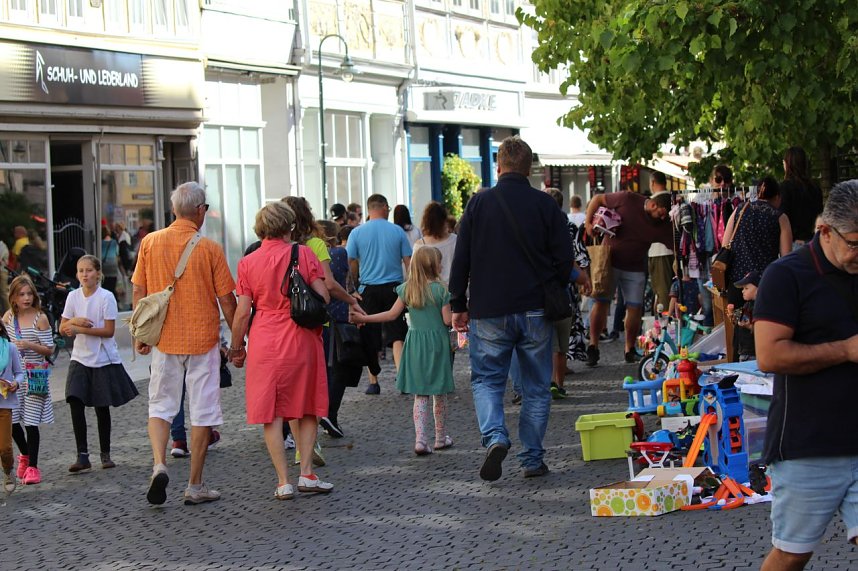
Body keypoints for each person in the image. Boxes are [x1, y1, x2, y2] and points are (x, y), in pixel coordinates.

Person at [449, 135, 573, 481]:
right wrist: (553, 283)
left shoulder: (478, 204)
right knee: (535, 386)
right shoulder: (546, 205)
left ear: (498, 166)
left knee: (487, 380)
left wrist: (458, 302)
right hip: (535, 308)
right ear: (530, 168)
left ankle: (495, 436)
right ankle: (532, 458)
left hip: (489, 308)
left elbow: (462, 259)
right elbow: (565, 260)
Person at [755, 180, 858, 571]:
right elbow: (770, 354)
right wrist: (846, 350)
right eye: (855, 243)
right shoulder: (786, 276)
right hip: (808, 444)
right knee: (792, 553)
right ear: (825, 231)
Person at [132, 181, 237, 506]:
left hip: (164, 339)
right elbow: (227, 300)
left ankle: (160, 463)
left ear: (174, 210)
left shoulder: (150, 242)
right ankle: (194, 484)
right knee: (202, 411)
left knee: (160, 406)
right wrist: (238, 341)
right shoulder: (210, 249)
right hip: (202, 340)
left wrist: (140, 334)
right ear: (201, 211)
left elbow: (139, 290)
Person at [230, 202, 334, 500]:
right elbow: (324, 293)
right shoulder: (303, 253)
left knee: (271, 412)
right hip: (300, 336)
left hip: (264, 338)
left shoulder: (248, 262)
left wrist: (237, 348)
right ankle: (307, 474)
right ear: (289, 226)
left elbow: (242, 312)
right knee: (308, 405)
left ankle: (283, 481)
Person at [351, 247, 454, 455]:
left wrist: (364, 318)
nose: (442, 265)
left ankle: (420, 440)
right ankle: (440, 438)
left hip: (415, 343)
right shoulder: (442, 291)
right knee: (439, 393)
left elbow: (390, 315)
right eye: (439, 262)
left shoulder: (407, 289)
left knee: (421, 394)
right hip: (437, 345)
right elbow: (446, 320)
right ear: (434, 266)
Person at [59, 255, 138, 472]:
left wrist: (79, 329)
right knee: (75, 400)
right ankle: (82, 454)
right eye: (80, 271)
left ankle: (105, 453)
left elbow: (108, 331)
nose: (84, 275)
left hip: (102, 358)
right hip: (79, 357)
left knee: (101, 406)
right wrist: (74, 322)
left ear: (98, 273)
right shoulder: (73, 297)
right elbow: (62, 326)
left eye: (88, 270)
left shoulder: (107, 297)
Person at [584, 190, 673, 365]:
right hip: (609, 261)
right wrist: (588, 222)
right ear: (653, 204)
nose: (662, 218)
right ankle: (593, 346)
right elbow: (598, 199)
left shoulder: (662, 225)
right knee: (601, 302)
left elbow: (675, 244)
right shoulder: (628, 199)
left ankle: (629, 349)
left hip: (635, 267)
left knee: (635, 307)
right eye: (661, 213)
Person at [347, 194, 412, 394]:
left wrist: (352, 290)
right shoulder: (397, 231)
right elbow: (409, 262)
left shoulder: (357, 233)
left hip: (368, 289)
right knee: (397, 334)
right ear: (383, 207)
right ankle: (402, 379)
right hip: (394, 288)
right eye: (388, 207)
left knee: (369, 335)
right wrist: (409, 287)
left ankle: (373, 381)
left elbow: (349, 262)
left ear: (368, 209)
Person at [2, 275, 54, 485]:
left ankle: (33, 467)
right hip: (13, 377)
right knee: (13, 422)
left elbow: (49, 349)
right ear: (13, 298)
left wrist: (29, 345)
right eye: (21, 294)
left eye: (29, 293)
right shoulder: (8, 318)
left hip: (35, 376)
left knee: (31, 422)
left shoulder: (39, 318)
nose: (26, 298)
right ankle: (24, 455)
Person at [543, 188, 591, 398]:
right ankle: (558, 384)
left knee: (539, 343)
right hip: (562, 293)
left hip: (536, 294)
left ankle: (541, 384)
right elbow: (572, 261)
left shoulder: (533, 229)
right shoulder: (567, 228)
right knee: (560, 345)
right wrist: (584, 277)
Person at [721, 176, 792, 312]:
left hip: (737, 282)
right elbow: (785, 258)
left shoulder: (740, 209)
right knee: (762, 327)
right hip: (764, 284)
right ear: (777, 197)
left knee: (739, 326)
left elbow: (725, 245)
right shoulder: (780, 217)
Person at [779, 146, 824, 248]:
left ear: (788, 164)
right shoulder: (815, 187)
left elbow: (783, 217)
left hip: (794, 242)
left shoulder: (785, 187)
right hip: (814, 241)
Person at [0, 323, 24, 492]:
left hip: (4, 403)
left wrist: (16, 383)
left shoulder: (10, 348)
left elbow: (19, 373)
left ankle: (8, 470)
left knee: (5, 448)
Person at [647, 173, 674, 316]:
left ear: (652, 183)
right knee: (672, 292)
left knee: (662, 292)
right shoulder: (674, 198)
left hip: (658, 251)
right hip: (673, 250)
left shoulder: (652, 203)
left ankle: (665, 329)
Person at [413, 201, 457, 283]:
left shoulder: (419, 245)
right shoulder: (455, 240)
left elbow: (415, 273)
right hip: (452, 289)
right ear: (444, 220)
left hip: (428, 292)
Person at [729, 270, 758, 362]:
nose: (742, 291)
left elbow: (764, 330)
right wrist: (732, 316)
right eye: (743, 288)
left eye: (746, 288)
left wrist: (749, 326)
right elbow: (737, 319)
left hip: (753, 352)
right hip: (743, 350)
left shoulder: (761, 307)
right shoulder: (746, 304)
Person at [101, 226, 121, 300]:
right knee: (112, 286)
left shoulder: (100, 243)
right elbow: (117, 253)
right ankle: (114, 301)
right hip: (113, 265)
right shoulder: (114, 242)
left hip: (104, 266)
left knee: (105, 286)